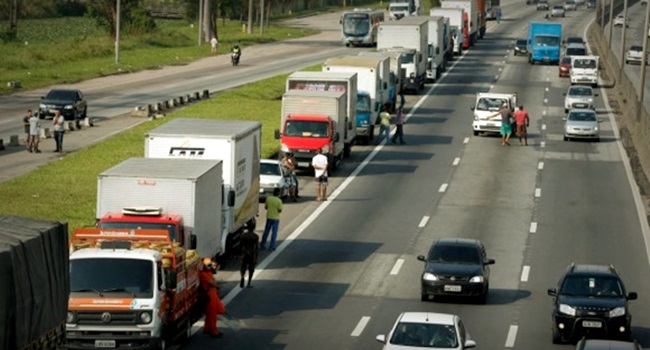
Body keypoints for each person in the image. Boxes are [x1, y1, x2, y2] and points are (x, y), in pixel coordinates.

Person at [199, 259, 225, 338]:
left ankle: (207, 328)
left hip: (212, 294)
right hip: (209, 296)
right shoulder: (203, 274)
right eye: (209, 265)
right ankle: (213, 331)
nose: (211, 267)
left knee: (213, 313)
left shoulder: (208, 272)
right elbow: (212, 282)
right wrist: (218, 286)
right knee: (212, 315)